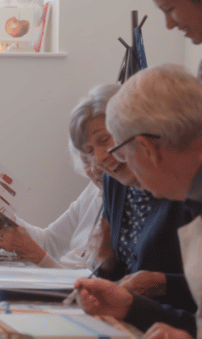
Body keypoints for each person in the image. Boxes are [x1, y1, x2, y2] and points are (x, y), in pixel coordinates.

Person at [76, 65, 202, 339]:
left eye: (123, 154)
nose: (107, 161)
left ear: (146, 148)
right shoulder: (193, 198)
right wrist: (131, 306)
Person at [0, 144, 105, 269]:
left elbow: (90, 284)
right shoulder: (92, 190)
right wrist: (7, 217)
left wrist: (38, 257)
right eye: (86, 161)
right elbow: (50, 242)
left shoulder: (125, 205)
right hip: (57, 281)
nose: (95, 169)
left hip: (69, 285)